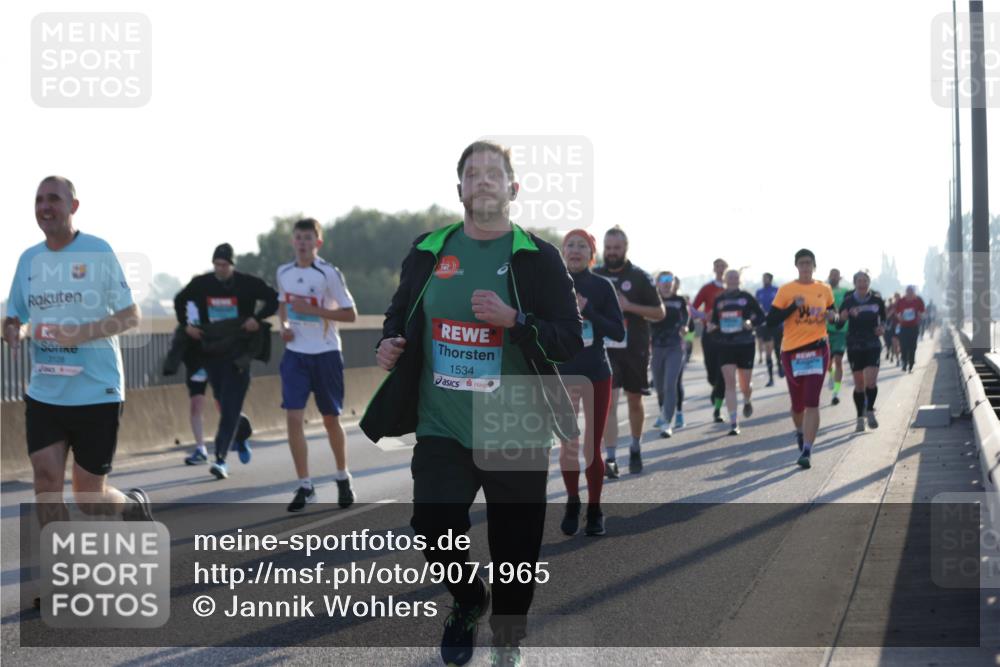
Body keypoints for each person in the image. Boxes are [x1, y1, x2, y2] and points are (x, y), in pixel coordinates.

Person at [359, 141, 582, 665]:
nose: (483, 180)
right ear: (458, 188)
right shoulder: (429, 249)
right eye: (473, 174)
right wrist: (390, 340)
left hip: (517, 423)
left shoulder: (538, 257)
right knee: (433, 527)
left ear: (513, 189)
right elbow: (400, 312)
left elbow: (568, 339)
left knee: (516, 548)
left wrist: (516, 322)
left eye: (493, 174)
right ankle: (467, 600)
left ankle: (508, 640)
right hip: (443, 422)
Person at [4, 176, 153, 609]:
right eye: (38, 200)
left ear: (74, 205)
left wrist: (83, 332)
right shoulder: (28, 260)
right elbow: (15, 316)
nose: (45, 206)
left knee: (89, 497)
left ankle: (129, 507)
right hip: (46, 390)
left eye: (54, 199)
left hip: (97, 389)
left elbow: (131, 315)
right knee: (46, 481)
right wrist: (13, 330)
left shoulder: (97, 251)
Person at [174, 243, 278, 480]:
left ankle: (220, 459)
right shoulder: (203, 284)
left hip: (240, 353)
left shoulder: (247, 283)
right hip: (212, 352)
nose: (220, 269)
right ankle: (241, 431)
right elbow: (180, 299)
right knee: (223, 402)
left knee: (230, 406)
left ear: (232, 264)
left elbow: (274, 299)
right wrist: (186, 326)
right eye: (216, 264)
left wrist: (257, 318)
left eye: (224, 265)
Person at [276, 218, 359, 512]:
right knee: (293, 418)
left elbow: (351, 315)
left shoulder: (328, 273)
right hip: (295, 354)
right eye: (298, 237)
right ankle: (305, 485)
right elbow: (283, 305)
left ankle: (342, 476)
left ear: (317, 243)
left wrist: (313, 310)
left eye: (308, 238)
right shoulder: (283, 272)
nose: (302, 243)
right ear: (293, 241)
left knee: (330, 419)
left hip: (325, 353)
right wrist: (284, 326)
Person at [557, 229, 624, 536]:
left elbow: (618, 332)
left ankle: (595, 509)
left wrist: (590, 311)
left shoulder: (601, 286)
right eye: (570, 245)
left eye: (581, 246)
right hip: (564, 373)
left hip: (596, 372)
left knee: (591, 447)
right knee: (568, 445)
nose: (575, 250)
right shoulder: (552, 284)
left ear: (591, 254)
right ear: (562, 251)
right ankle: (573, 501)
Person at [593, 227, 664, 476]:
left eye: (617, 248)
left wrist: (629, 306)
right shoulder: (595, 275)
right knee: (609, 404)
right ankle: (611, 458)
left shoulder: (639, 277)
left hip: (634, 348)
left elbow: (659, 312)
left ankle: (635, 446)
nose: (612, 253)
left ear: (626, 248)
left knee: (635, 400)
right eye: (608, 248)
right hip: (604, 349)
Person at [766, 249, 840, 469]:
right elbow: (771, 320)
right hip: (792, 351)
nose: (806, 267)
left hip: (818, 348)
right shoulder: (786, 290)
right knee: (797, 405)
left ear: (814, 266)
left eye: (809, 263)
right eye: (802, 263)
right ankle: (800, 431)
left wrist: (832, 316)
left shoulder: (823, 289)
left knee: (812, 401)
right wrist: (792, 307)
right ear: (796, 266)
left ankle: (807, 449)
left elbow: (835, 317)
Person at [706, 270, 765, 435]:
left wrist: (750, 322)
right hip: (725, 344)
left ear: (740, 280)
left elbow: (761, 317)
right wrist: (712, 327)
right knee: (730, 383)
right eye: (729, 277)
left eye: (735, 277)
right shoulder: (720, 300)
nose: (733, 279)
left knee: (745, 384)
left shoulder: (746, 297)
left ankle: (747, 399)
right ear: (725, 280)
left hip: (745, 343)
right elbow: (714, 322)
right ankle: (734, 422)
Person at [837, 271, 886, 432]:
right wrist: (843, 317)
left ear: (869, 282)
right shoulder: (848, 301)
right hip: (854, 345)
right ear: (854, 283)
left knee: (871, 381)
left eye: (865, 280)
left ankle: (870, 411)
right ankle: (859, 417)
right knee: (859, 384)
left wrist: (882, 328)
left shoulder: (877, 300)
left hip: (872, 343)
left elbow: (884, 320)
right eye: (859, 281)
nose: (862, 283)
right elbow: (838, 323)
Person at [650, 271, 689, 438]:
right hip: (656, 347)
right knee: (659, 387)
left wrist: (684, 327)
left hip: (675, 346)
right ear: (657, 283)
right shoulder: (651, 300)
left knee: (670, 384)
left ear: (673, 283)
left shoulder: (679, 301)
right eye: (663, 280)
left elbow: (686, 317)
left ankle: (667, 422)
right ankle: (662, 412)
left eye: (669, 280)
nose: (666, 283)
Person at [692, 259, 729, 422]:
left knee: (724, 371)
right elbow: (692, 308)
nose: (721, 269)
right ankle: (714, 386)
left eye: (723, 267)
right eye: (718, 266)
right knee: (711, 371)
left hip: (728, 335)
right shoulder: (707, 288)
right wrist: (703, 316)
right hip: (709, 333)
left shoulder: (732, 288)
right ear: (714, 269)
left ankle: (718, 409)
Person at [825, 268, 849, 405]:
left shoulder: (845, 293)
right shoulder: (823, 291)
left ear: (839, 278)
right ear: (829, 276)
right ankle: (831, 375)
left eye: (836, 275)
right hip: (825, 331)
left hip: (841, 330)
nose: (834, 277)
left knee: (838, 360)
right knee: (827, 363)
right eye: (832, 275)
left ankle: (836, 391)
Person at [755, 272, 782, 386]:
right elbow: (756, 307)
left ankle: (780, 366)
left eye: (766, 278)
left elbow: (783, 305)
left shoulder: (777, 290)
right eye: (763, 278)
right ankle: (771, 378)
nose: (764, 280)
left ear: (770, 279)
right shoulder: (759, 292)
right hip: (765, 325)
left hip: (777, 324)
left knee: (777, 349)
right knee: (768, 351)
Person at [894, 285, 925, 373]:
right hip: (903, 327)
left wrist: (920, 316)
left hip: (914, 327)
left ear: (914, 293)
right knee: (903, 345)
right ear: (906, 292)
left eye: (911, 292)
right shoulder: (901, 301)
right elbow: (896, 312)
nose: (910, 294)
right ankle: (904, 361)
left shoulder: (918, 300)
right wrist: (899, 317)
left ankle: (911, 363)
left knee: (912, 346)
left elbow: (922, 311)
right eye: (908, 292)